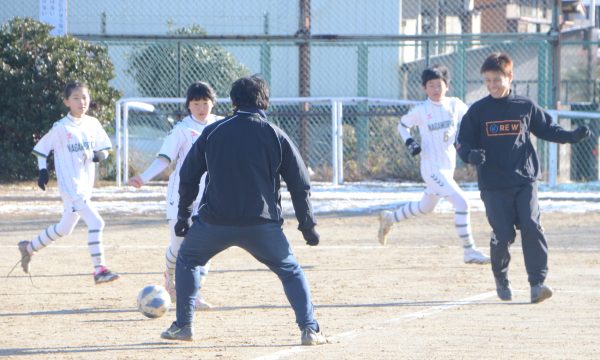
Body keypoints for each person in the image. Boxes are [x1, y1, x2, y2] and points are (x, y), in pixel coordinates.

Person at [159, 75, 327, 346]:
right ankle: (310, 329)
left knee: (187, 259)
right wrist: (307, 225)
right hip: (261, 224)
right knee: (290, 270)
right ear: (265, 101)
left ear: (233, 102)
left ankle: (183, 326)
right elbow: (300, 183)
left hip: (215, 222)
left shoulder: (213, 132)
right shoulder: (274, 133)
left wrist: (183, 215)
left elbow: (188, 175)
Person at [456, 52, 590, 303]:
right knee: (504, 234)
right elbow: (461, 142)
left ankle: (537, 283)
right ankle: (501, 275)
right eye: (487, 81)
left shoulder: (524, 106)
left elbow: (548, 129)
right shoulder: (478, 111)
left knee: (531, 225)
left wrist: (571, 137)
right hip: (494, 185)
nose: (492, 85)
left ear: (510, 77)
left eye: (497, 79)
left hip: (524, 179)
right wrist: (470, 155)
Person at [378, 65, 490, 265]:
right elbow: (402, 125)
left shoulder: (455, 105)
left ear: (447, 86)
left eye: (439, 85)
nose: (435, 89)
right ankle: (469, 251)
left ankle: (390, 218)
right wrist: (410, 141)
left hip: (447, 169)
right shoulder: (421, 110)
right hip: (431, 169)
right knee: (462, 203)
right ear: (424, 88)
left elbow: (472, 119)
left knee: (425, 207)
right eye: (431, 85)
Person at [129, 82, 221, 310]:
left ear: (212, 103)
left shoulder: (221, 125)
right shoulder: (181, 129)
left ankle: (193, 293)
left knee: (208, 247)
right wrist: (144, 177)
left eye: (205, 103)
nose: (201, 108)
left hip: (211, 196)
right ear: (188, 105)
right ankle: (170, 278)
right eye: (196, 103)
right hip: (181, 196)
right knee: (180, 247)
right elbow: (164, 159)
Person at [17, 81, 119, 284]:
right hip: (71, 186)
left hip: (85, 185)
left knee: (65, 228)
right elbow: (42, 149)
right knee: (96, 222)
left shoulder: (93, 124)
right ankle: (99, 270)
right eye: (76, 98)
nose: (82, 102)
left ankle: (28, 248)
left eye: (85, 98)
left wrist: (101, 156)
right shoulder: (61, 128)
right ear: (66, 102)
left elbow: (105, 148)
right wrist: (43, 171)